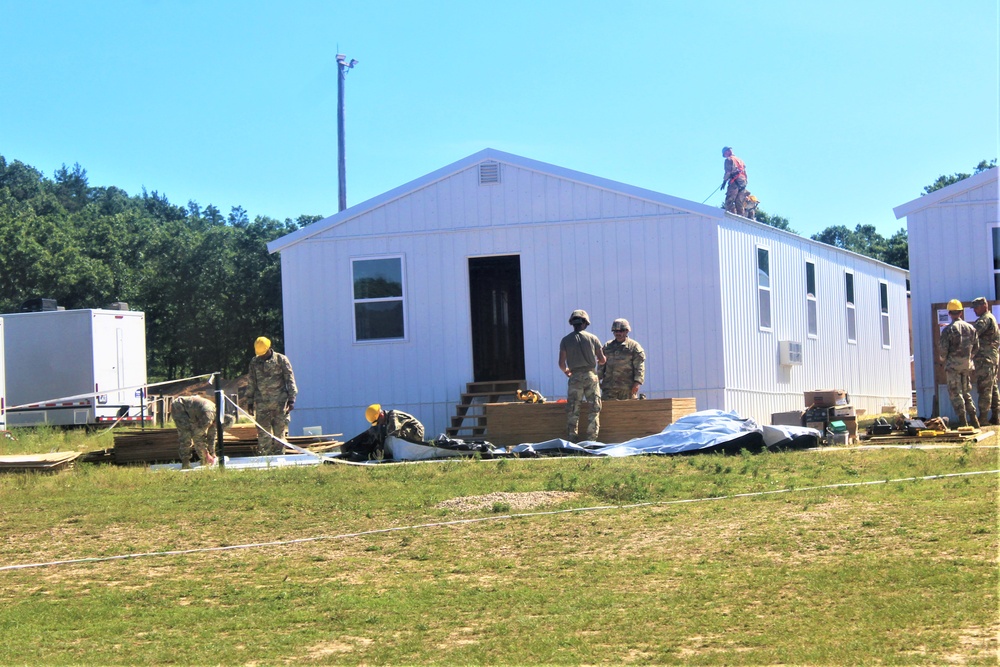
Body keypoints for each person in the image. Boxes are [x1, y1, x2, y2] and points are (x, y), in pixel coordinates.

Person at [558, 309, 607, 442]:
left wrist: (567, 371)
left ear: (572, 323)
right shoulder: (593, 338)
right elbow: (602, 360)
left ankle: (572, 439)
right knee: (594, 408)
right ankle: (591, 440)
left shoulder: (565, 340)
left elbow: (561, 363)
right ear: (585, 323)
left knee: (573, 409)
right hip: (591, 376)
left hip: (575, 378)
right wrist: (598, 361)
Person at [246, 336, 298, 455]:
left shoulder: (281, 360)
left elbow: (290, 380)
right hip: (262, 405)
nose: (262, 356)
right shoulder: (254, 362)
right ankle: (265, 460)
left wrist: (291, 399)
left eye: (263, 353)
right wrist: (249, 401)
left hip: (279, 405)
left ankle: (279, 459)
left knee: (279, 435)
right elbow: (251, 382)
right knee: (263, 435)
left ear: (269, 348)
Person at [939, 299, 980, 428]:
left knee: (955, 393)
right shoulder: (971, 328)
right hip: (966, 366)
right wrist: (968, 357)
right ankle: (974, 420)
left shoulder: (948, 330)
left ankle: (963, 422)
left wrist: (943, 359)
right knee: (966, 393)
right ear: (961, 313)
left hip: (953, 367)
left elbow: (943, 351)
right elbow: (976, 347)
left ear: (950, 313)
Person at [341, 404, 425, 462]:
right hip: (409, 431)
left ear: (381, 415)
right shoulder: (385, 420)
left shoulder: (393, 415)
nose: (379, 424)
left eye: (378, 422)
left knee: (392, 437)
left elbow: (393, 432)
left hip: (416, 432)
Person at [172, 394, 235, 469]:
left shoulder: (217, 418)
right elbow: (197, 436)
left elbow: (211, 438)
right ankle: (185, 462)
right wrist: (207, 455)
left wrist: (213, 453)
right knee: (186, 434)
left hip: (194, 412)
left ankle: (204, 460)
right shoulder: (208, 417)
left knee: (197, 433)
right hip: (180, 406)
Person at [599, 318, 645, 400]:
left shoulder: (634, 347)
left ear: (627, 331)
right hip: (609, 390)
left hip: (627, 389)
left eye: (621, 331)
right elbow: (601, 365)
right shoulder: (607, 346)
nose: (618, 333)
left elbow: (639, 366)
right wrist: (597, 380)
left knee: (628, 411)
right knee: (609, 412)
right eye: (616, 331)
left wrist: (637, 382)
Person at [971, 297, 1000, 425]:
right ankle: (996, 417)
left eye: (976, 308)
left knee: (984, 388)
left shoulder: (985, 319)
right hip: (991, 357)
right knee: (992, 387)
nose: (975, 311)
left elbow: (973, 333)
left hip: (985, 358)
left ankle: (983, 418)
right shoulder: (990, 318)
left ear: (984, 306)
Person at [720, 146, 748, 216]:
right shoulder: (740, 160)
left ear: (727, 151)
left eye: (725, 154)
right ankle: (741, 218)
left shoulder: (729, 160)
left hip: (735, 182)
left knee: (729, 201)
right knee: (739, 202)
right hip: (743, 182)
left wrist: (724, 181)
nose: (725, 156)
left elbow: (728, 172)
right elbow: (745, 172)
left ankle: (731, 217)